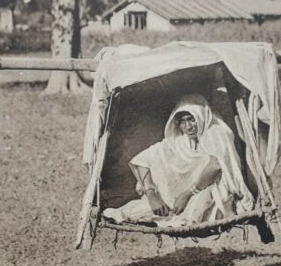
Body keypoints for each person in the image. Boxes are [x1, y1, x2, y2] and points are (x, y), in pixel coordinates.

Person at [103, 94, 254, 227]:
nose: (188, 127)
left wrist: (187, 194)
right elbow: (143, 160)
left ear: (201, 116)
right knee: (134, 212)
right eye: (182, 121)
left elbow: (215, 166)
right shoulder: (179, 141)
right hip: (176, 198)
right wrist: (151, 194)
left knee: (194, 213)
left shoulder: (215, 132)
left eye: (192, 120)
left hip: (212, 194)